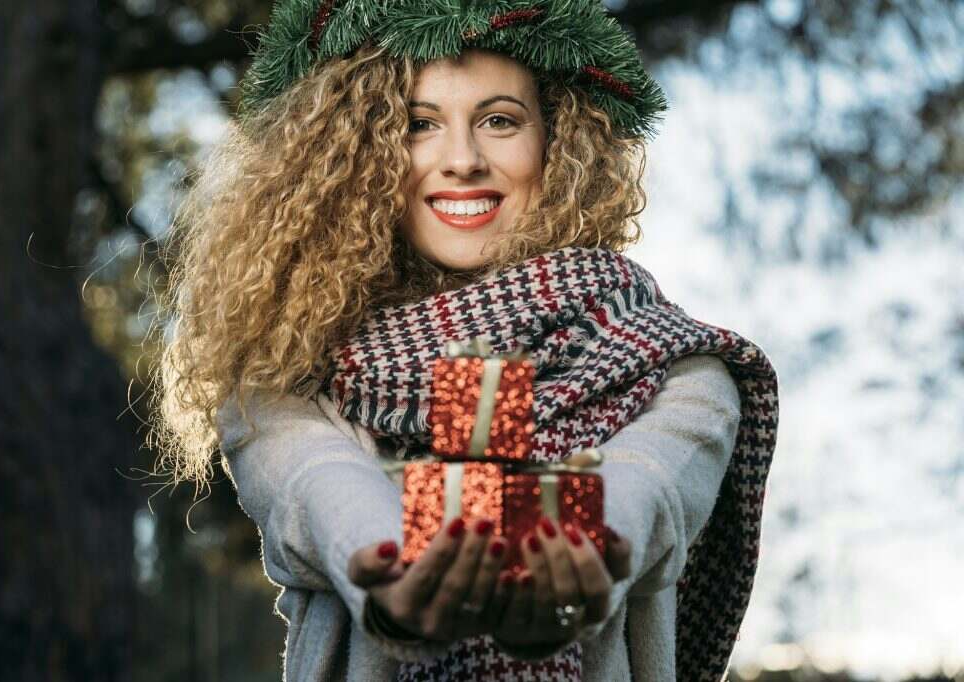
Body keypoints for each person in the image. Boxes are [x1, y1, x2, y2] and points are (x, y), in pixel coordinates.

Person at [150, 1, 779, 680]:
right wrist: (394, 574)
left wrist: (582, 559)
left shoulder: (681, 369)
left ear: (559, 140)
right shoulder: (282, 389)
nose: (462, 160)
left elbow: (649, 487)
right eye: (418, 125)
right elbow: (317, 489)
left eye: (500, 121)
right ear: (354, 152)